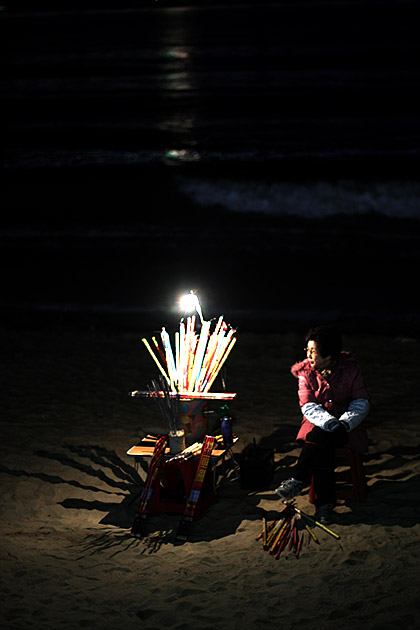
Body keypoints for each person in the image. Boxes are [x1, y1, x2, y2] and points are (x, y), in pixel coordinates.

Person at [276, 325, 370, 524]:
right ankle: (323, 507)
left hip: (348, 425)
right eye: (307, 350)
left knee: (321, 441)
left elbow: (361, 401)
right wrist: (329, 423)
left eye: (314, 351)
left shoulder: (350, 369)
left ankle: (300, 481)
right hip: (316, 422)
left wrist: (344, 423)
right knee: (321, 437)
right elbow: (308, 405)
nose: (309, 355)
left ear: (328, 354)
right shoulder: (305, 373)